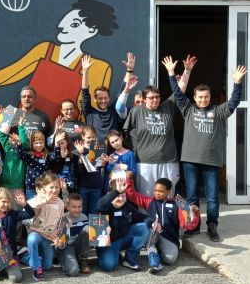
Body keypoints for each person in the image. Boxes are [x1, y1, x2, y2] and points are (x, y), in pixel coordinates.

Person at [0, 0, 118, 121]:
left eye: (74, 24)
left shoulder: (99, 67)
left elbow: (88, 109)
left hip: (62, 129)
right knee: (8, 128)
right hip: (28, 120)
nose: (62, 26)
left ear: (91, 31)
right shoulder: (45, 49)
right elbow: (14, 71)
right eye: (66, 21)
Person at [163, 56, 247, 241]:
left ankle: (212, 226)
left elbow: (233, 102)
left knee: (212, 198)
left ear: (210, 97)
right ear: (194, 97)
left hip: (212, 162)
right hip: (191, 161)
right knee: (192, 197)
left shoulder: (218, 111)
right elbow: (177, 93)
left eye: (206, 97)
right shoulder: (188, 109)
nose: (203, 100)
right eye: (200, 97)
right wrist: (171, 73)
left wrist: (237, 83)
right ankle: (193, 226)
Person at [123, 55, 197, 196]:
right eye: (151, 98)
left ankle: (166, 218)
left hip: (168, 160)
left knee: (167, 196)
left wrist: (187, 71)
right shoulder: (136, 111)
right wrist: (135, 150)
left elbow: (179, 91)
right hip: (145, 162)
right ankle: (148, 219)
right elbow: (127, 134)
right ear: (144, 99)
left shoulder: (167, 107)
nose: (155, 100)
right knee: (146, 197)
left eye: (157, 97)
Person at [122, 177, 200, 272]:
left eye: (161, 191)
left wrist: (195, 215)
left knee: (169, 259)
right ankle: (153, 256)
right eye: (155, 190)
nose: (157, 193)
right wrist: (129, 180)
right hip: (152, 234)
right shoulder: (149, 201)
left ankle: (157, 251)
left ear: (169, 191)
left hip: (169, 237)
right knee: (147, 228)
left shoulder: (178, 205)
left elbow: (188, 226)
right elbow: (132, 195)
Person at [0, 188, 35, 282]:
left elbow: (30, 214)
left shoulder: (13, 214)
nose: (6, 204)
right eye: (3, 201)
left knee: (16, 278)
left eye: (8, 202)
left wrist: (25, 204)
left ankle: (3, 268)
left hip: (9, 254)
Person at [81, 53, 138, 142]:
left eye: (105, 98)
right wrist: (85, 71)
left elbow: (123, 90)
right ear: (95, 99)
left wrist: (129, 70)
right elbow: (85, 92)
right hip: (95, 152)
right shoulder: (89, 112)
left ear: (109, 98)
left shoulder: (114, 110)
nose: (103, 101)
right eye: (100, 98)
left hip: (113, 152)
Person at [21, 173, 66, 281]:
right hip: (36, 233)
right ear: (44, 187)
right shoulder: (38, 199)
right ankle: (37, 268)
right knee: (32, 239)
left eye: (57, 187)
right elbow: (29, 207)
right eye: (51, 187)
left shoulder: (60, 203)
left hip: (49, 237)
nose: (54, 190)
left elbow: (60, 222)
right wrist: (44, 200)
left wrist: (60, 238)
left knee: (47, 266)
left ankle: (24, 255)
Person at [96, 185, 152, 272]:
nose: (121, 199)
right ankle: (112, 254)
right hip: (108, 243)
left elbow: (142, 217)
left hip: (123, 239)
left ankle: (130, 257)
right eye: (118, 196)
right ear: (110, 195)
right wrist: (116, 191)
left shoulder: (127, 206)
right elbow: (100, 205)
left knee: (143, 227)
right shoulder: (106, 207)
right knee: (109, 266)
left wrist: (154, 223)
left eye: (123, 196)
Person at [13, 129, 63, 200]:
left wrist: (57, 144)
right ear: (32, 144)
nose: (39, 145)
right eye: (36, 143)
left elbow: (56, 156)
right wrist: (19, 143)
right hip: (31, 188)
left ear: (44, 143)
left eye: (41, 142)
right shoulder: (29, 155)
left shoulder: (47, 155)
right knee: (32, 208)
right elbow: (20, 154)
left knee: (44, 208)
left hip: (45, 187)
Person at [0, 113, 29, 209]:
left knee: (16, 211)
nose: (14, 139)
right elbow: (1, 134)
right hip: (5, 184)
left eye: (16, 136)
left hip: (18, 186)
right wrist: (6, 116)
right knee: (4, 209)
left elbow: (24, 142)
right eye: (11, 137)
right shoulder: (7, 147)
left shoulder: (23, 149)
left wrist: (20, 126)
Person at [74, 125, 108, 214]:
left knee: (95, 211)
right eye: (88, 137)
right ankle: (83, 228)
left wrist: (104, 161)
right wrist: (81, 153)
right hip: (83, 186)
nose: (91, 139)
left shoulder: (98, 147)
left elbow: (100, 167)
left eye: (93, 137)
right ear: (83, 137)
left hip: (96, 185)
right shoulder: (78, 149)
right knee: (82, 211)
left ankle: (94, 228)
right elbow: (78, 168)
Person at [56, 193, 90, 276]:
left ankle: (83, 261)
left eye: (79, 207)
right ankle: (65, 260)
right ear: (67, 207)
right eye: (74, 207)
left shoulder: (84, 217)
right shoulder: (62, 219)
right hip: (66, 246)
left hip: (78, 245)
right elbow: (60, 243)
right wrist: (66, 229)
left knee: (88, 228)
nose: (77, 210)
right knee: (73, 271)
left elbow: (87, 239)